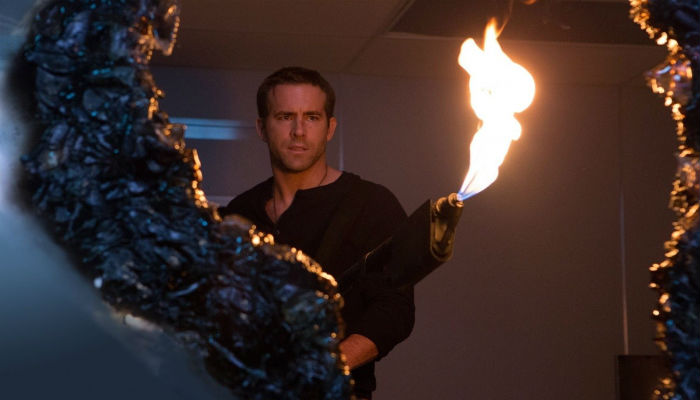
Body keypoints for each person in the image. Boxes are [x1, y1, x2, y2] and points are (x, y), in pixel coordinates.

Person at [218, 66, 415, 399]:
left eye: (311, 117)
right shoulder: (239, 213)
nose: (299, 131)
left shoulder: (371, 204)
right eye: (285, 117)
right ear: (262, 128)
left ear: (329, 128)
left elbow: (394, 312)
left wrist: (318, 367)